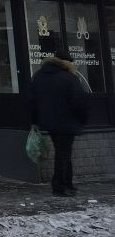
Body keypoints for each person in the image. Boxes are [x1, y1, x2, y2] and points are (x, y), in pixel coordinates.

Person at [29, 47, 89, 196]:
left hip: (48, 122)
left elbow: (32, 101)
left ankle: (67, 183)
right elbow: (79, 102)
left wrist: (35, 120)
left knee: (63, 152)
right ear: (67, 63)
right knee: (63, 154)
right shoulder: (69, 78)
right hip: (66, 122)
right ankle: (59, 186)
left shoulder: (39, 76)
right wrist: (83, 119)